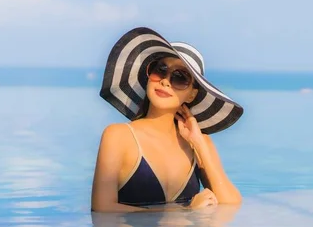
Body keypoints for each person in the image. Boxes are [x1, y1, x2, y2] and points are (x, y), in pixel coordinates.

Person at [91, 26, 244, 212]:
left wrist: (199, 144)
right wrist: (185, 211)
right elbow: (102, 208)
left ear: (191, 95)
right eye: (160, 69)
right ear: (148, 75)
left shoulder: (200, 142)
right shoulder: (118, 136)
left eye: (180, 77)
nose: (165, 81)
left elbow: (230, 203)